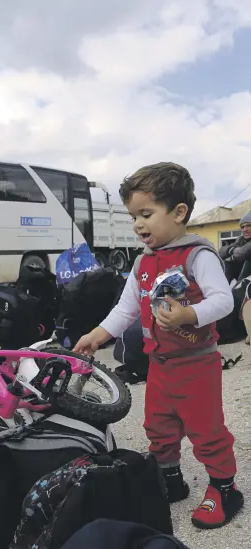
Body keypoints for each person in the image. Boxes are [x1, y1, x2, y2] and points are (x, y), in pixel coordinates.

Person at [73, 162, 244, 529]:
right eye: (134, 216)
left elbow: (223, 300)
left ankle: (224, 487)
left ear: (179, 212)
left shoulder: (198, 255)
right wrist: (99, 334)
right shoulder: (142, 264)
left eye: (146, 214)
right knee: (158, 427)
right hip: (161, 365)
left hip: (197, 364)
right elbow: (126, 308)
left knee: (206, 430)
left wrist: (188, 315)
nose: (138, 225)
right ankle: (169, 481)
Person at [219, 211, 251, 283]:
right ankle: (222, 290)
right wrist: (231, 250)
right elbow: (221, 252)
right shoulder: (242, 239)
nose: (245, 229)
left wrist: (232, 256)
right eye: (242, 227)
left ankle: (239, 291)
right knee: (228, 263)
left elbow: (243, 253)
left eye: (249, 225)